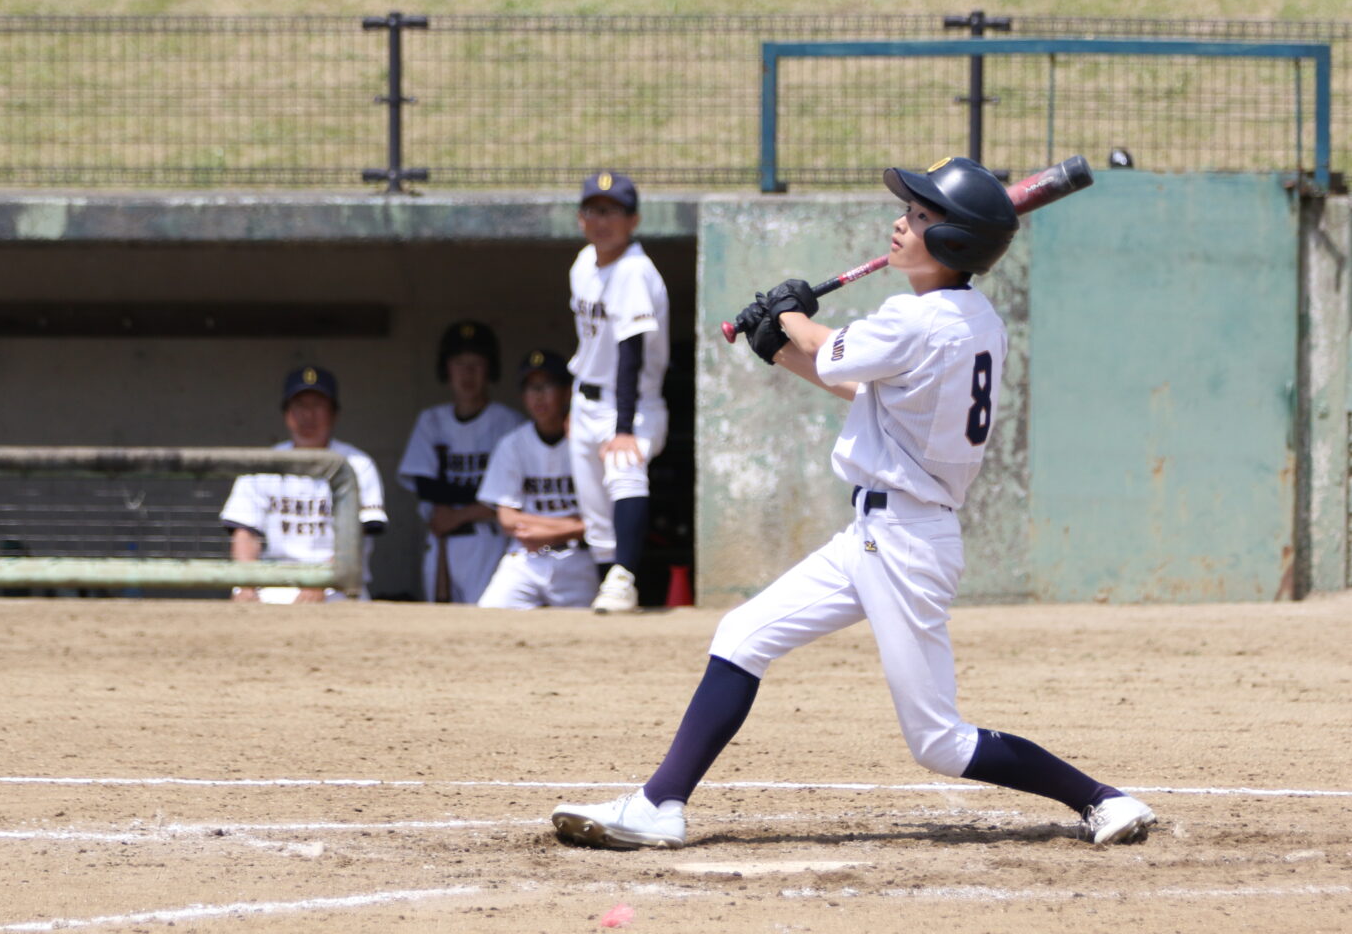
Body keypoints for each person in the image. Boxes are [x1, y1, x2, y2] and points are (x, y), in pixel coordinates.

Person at [550, 156, 1155, 851]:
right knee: (743, 635)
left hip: (903, 541)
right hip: (878, 531)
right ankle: (660, 802)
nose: (901, 222)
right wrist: (780, 345)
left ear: (956, 243)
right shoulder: (973, 318)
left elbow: (831, 348)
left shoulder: (915, 318)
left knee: (938, 741)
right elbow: (869, 388)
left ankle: (1102, 798)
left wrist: (789, 315)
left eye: (922, 218)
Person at [567, 171, 670, 615]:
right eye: (594, 210)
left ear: (633, 221)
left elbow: (630, 352)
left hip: (628, 404)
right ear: (580, 218)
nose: (601, 221)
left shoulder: (633, 270)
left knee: (624, 472)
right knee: (594, 510)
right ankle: (609, 588)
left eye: (613, 212)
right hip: (586, 398)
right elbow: (591, 344)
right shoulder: (583, 263)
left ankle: (625, 578)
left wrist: (624, 428)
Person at [221, 366, 388, 604]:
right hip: (274, 583)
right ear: (286, 413)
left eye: (317, 406)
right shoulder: (264, 464)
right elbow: (245, 533)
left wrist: (320, 583)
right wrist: (245, 585)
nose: (308, 415)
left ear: (334, 413)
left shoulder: (358, 464)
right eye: (300, 405)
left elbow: (358, 539)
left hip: (337, 586)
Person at [396, 321, 522, 604]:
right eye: (459, 363)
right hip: (441, 539)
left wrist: (460, 512)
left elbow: (514, 493)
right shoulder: (431, 421)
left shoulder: (509, 423)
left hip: (490, 539)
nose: (467, 373)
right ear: (446, 368)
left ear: (490, 369)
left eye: (476, 363)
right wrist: (479, 499)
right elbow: (425, 487)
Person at [474, 350, 596, 610]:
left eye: (547, 386)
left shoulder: (587, 443)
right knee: (488, 616)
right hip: (526, 559)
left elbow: (603, 521)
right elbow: (507, 518)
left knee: (589, 632)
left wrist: (551, 532)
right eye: (531, 387)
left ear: (567, 392)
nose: (538, 395)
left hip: (578, 557)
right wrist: (573, 524)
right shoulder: (513, 444)